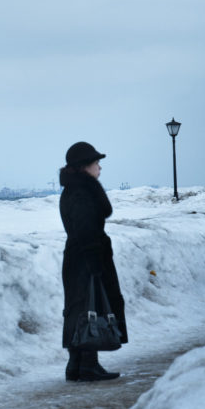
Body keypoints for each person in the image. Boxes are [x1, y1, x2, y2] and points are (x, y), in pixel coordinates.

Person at [59, 141, 128, 382]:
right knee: (91, 307)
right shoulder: (81, 192)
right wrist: (95, 263)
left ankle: (77, 365)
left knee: (81, 309)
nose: (100, 168)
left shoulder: (74, 190)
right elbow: (85, 230)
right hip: (87, 258)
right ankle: (87, 364)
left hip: (79, 258)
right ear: (84, 167)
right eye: (97, 163)